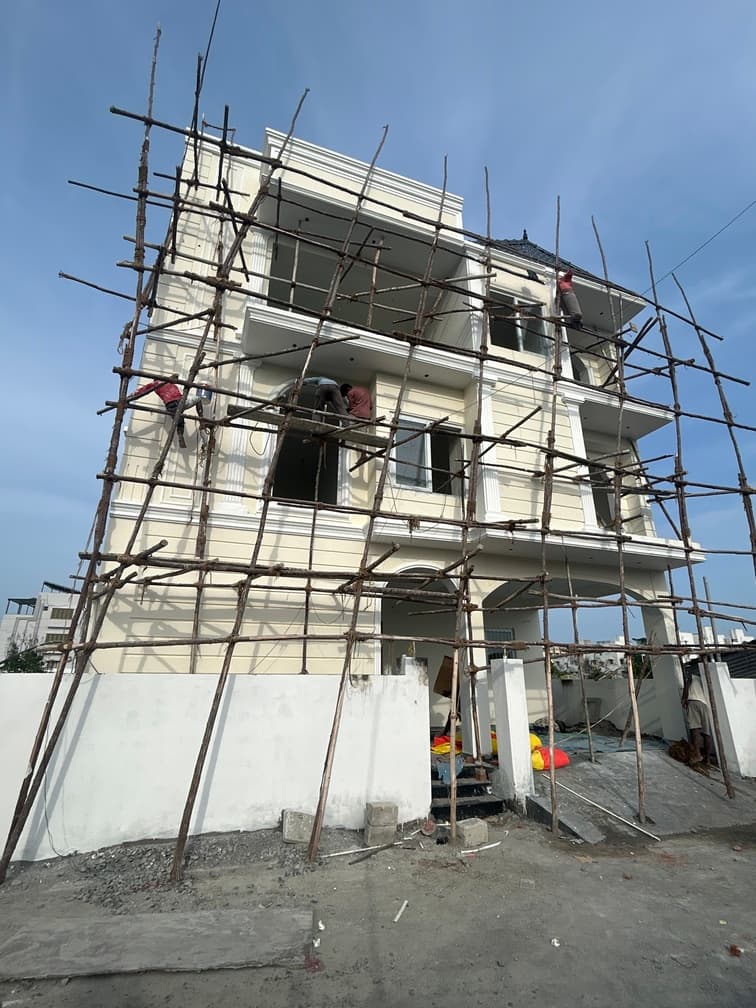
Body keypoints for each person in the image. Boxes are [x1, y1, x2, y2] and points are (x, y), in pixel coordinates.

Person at [128, 373, 188, 447]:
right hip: (180, 401)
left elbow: (141, 391)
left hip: (170, 404)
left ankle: (180, 435)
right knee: (197, 400)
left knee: (179, 419)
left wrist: (129, 397)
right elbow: (176, 377)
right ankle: (201, 423)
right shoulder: (168, 381)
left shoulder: (155, 384)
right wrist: (174, 377)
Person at [681, 664, 713, 772]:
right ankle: (708, 759)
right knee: (706, 733)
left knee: (695, 729)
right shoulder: (704, 680)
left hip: (693, 702)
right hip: (704, 704)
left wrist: (684, 699)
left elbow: (687, 685)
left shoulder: (692, 676)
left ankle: (698, 755)